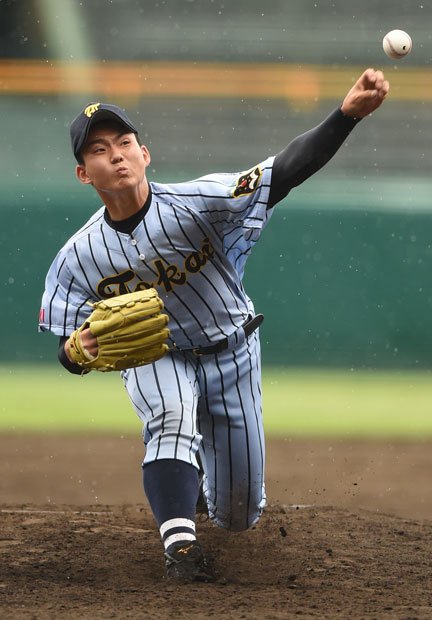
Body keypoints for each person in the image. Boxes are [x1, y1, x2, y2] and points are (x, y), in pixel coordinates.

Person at [39, 68, 389, 582]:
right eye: (97, 150)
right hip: (158, 355)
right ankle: (179, 543)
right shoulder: (78, 256)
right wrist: (78, 352)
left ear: (145, 154)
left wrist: (344, 117)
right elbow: (68, 349)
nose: (115, 154)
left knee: (239, 514)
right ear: (83, 174)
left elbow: (282, 172)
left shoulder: (200, 200)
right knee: (170, 419)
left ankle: (202, 490)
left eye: (125, 142)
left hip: (232, 347)